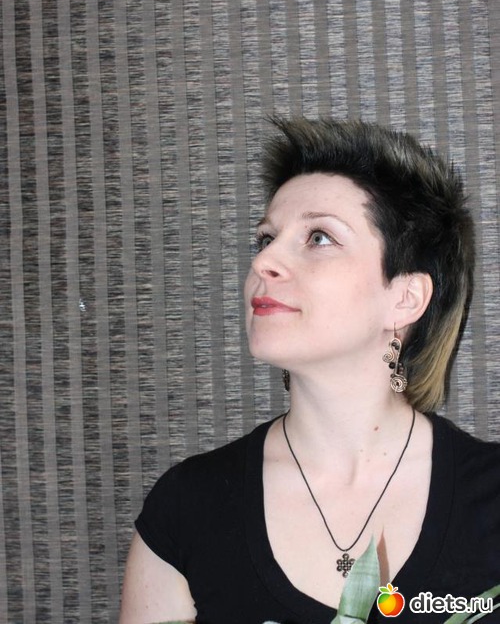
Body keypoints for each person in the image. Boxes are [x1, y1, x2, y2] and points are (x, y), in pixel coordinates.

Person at [119, 117, 500, 624]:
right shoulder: (188, 506)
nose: (265, 262)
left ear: (405, 298)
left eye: (319, 237)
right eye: (265, 239)